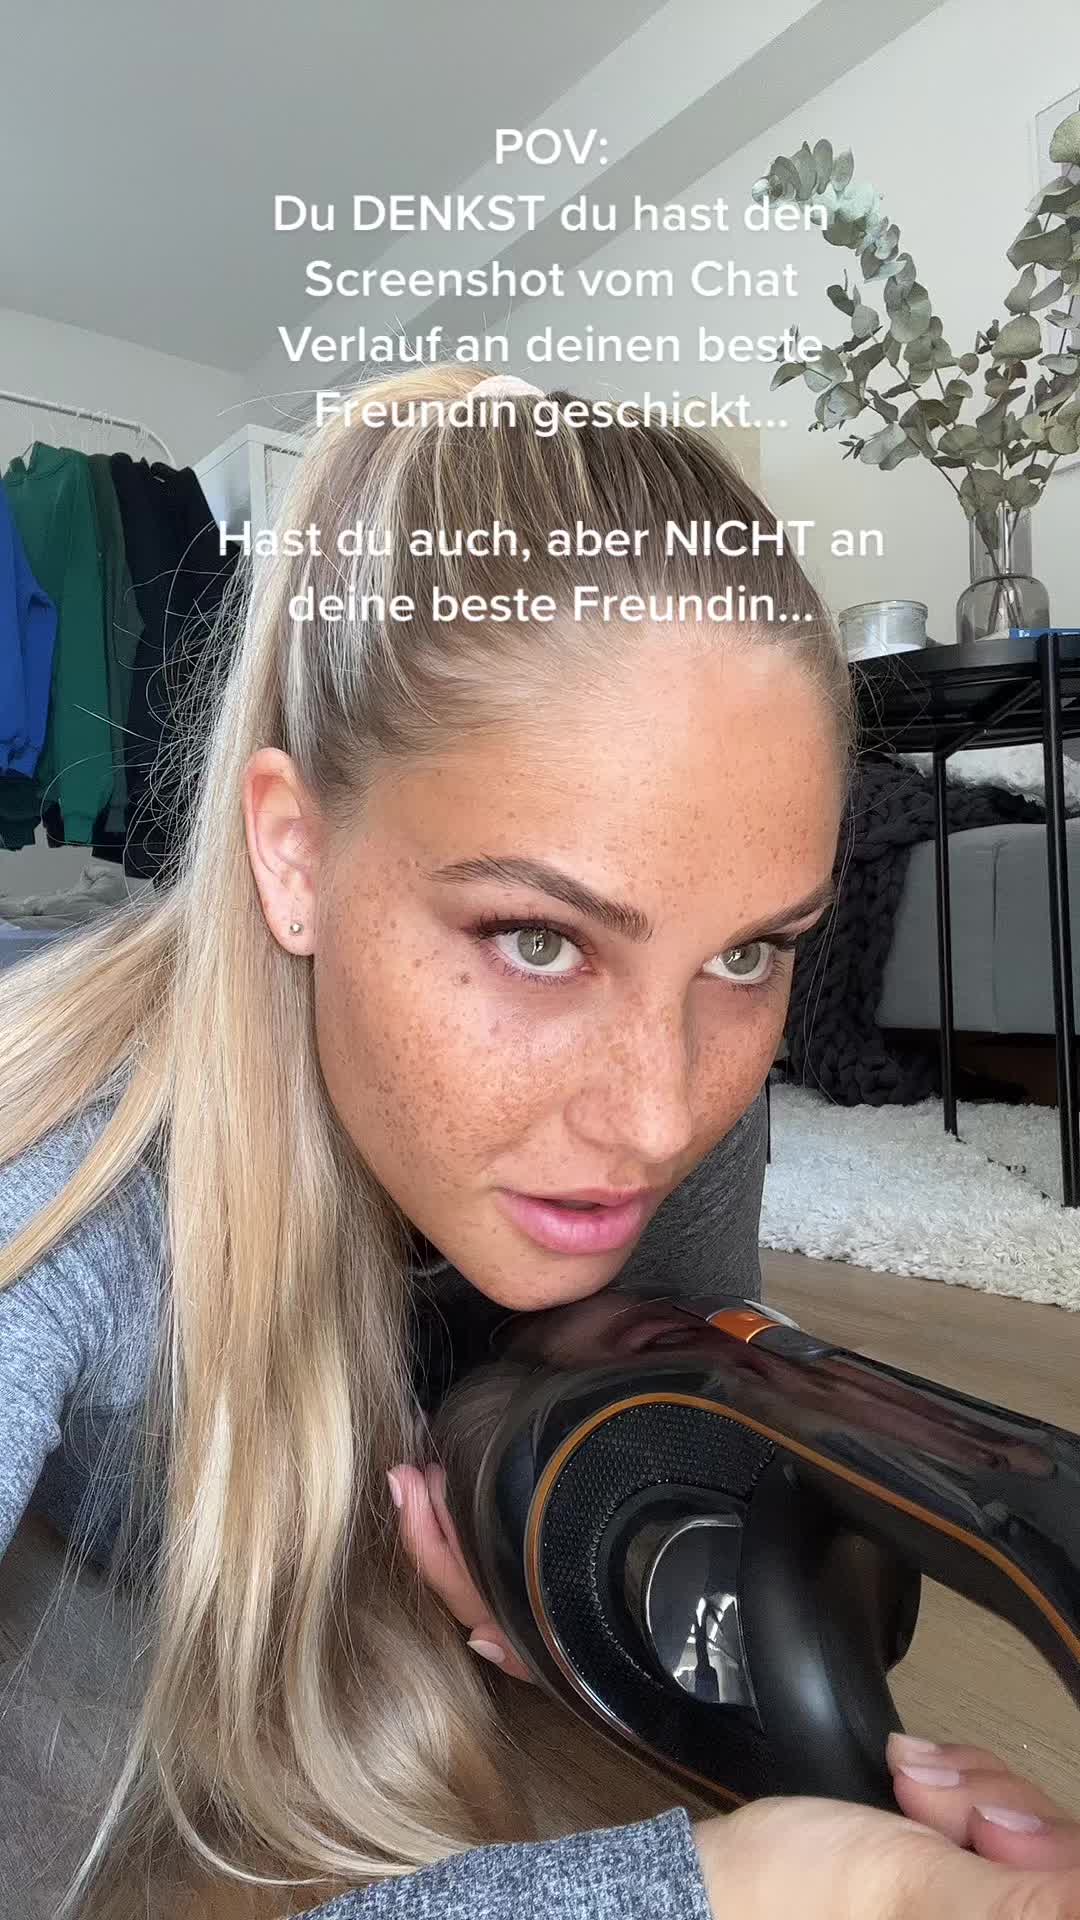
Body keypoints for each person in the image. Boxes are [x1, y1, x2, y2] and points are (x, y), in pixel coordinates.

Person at [1, 363, 1078, 1920]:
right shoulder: (61, 1175)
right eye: (538, 938)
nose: (660, 1116)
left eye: (750, 952)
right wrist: (707, 1898)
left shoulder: (676, 1091)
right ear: (293, 855)